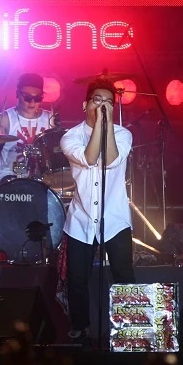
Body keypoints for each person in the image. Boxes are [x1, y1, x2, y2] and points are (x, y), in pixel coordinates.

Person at [59, 77, 135, 346]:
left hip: (115, 217)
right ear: (85, 104)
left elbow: (111, 160)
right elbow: (90, 158)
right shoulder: (70, 137)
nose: (103, 106)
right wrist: (99, 125)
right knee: (78, 279)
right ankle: (81, 329)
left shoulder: (123, 134)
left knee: (123, 276)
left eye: (108, 102)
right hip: (80, 219)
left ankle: (130, 330)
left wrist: (107, 124)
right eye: (97, 100)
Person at [0, 72, 56, 184]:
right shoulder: (5, 118)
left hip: (41, 180)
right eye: (27, 97)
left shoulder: (50, 118)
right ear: (17, 94)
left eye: (37, 98)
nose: (32, 102)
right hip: (9, 179)